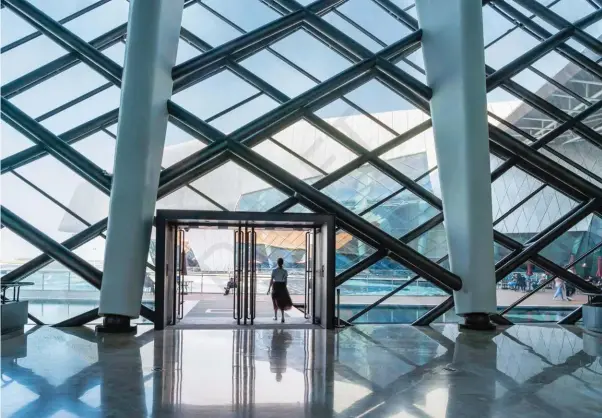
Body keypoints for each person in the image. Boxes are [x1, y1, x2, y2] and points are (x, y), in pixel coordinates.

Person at [267, 257, 293, 323]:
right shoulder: (285, 271)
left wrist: (269, 289)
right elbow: (286, 281)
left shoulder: (274, 271)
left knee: (275, 301)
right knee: (282, 302)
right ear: (282, 263)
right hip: (282, 286)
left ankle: (275, 316)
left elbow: (271, 280)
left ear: (277, 263)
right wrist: (284, 288)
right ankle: (283, 317)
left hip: (275, 286)